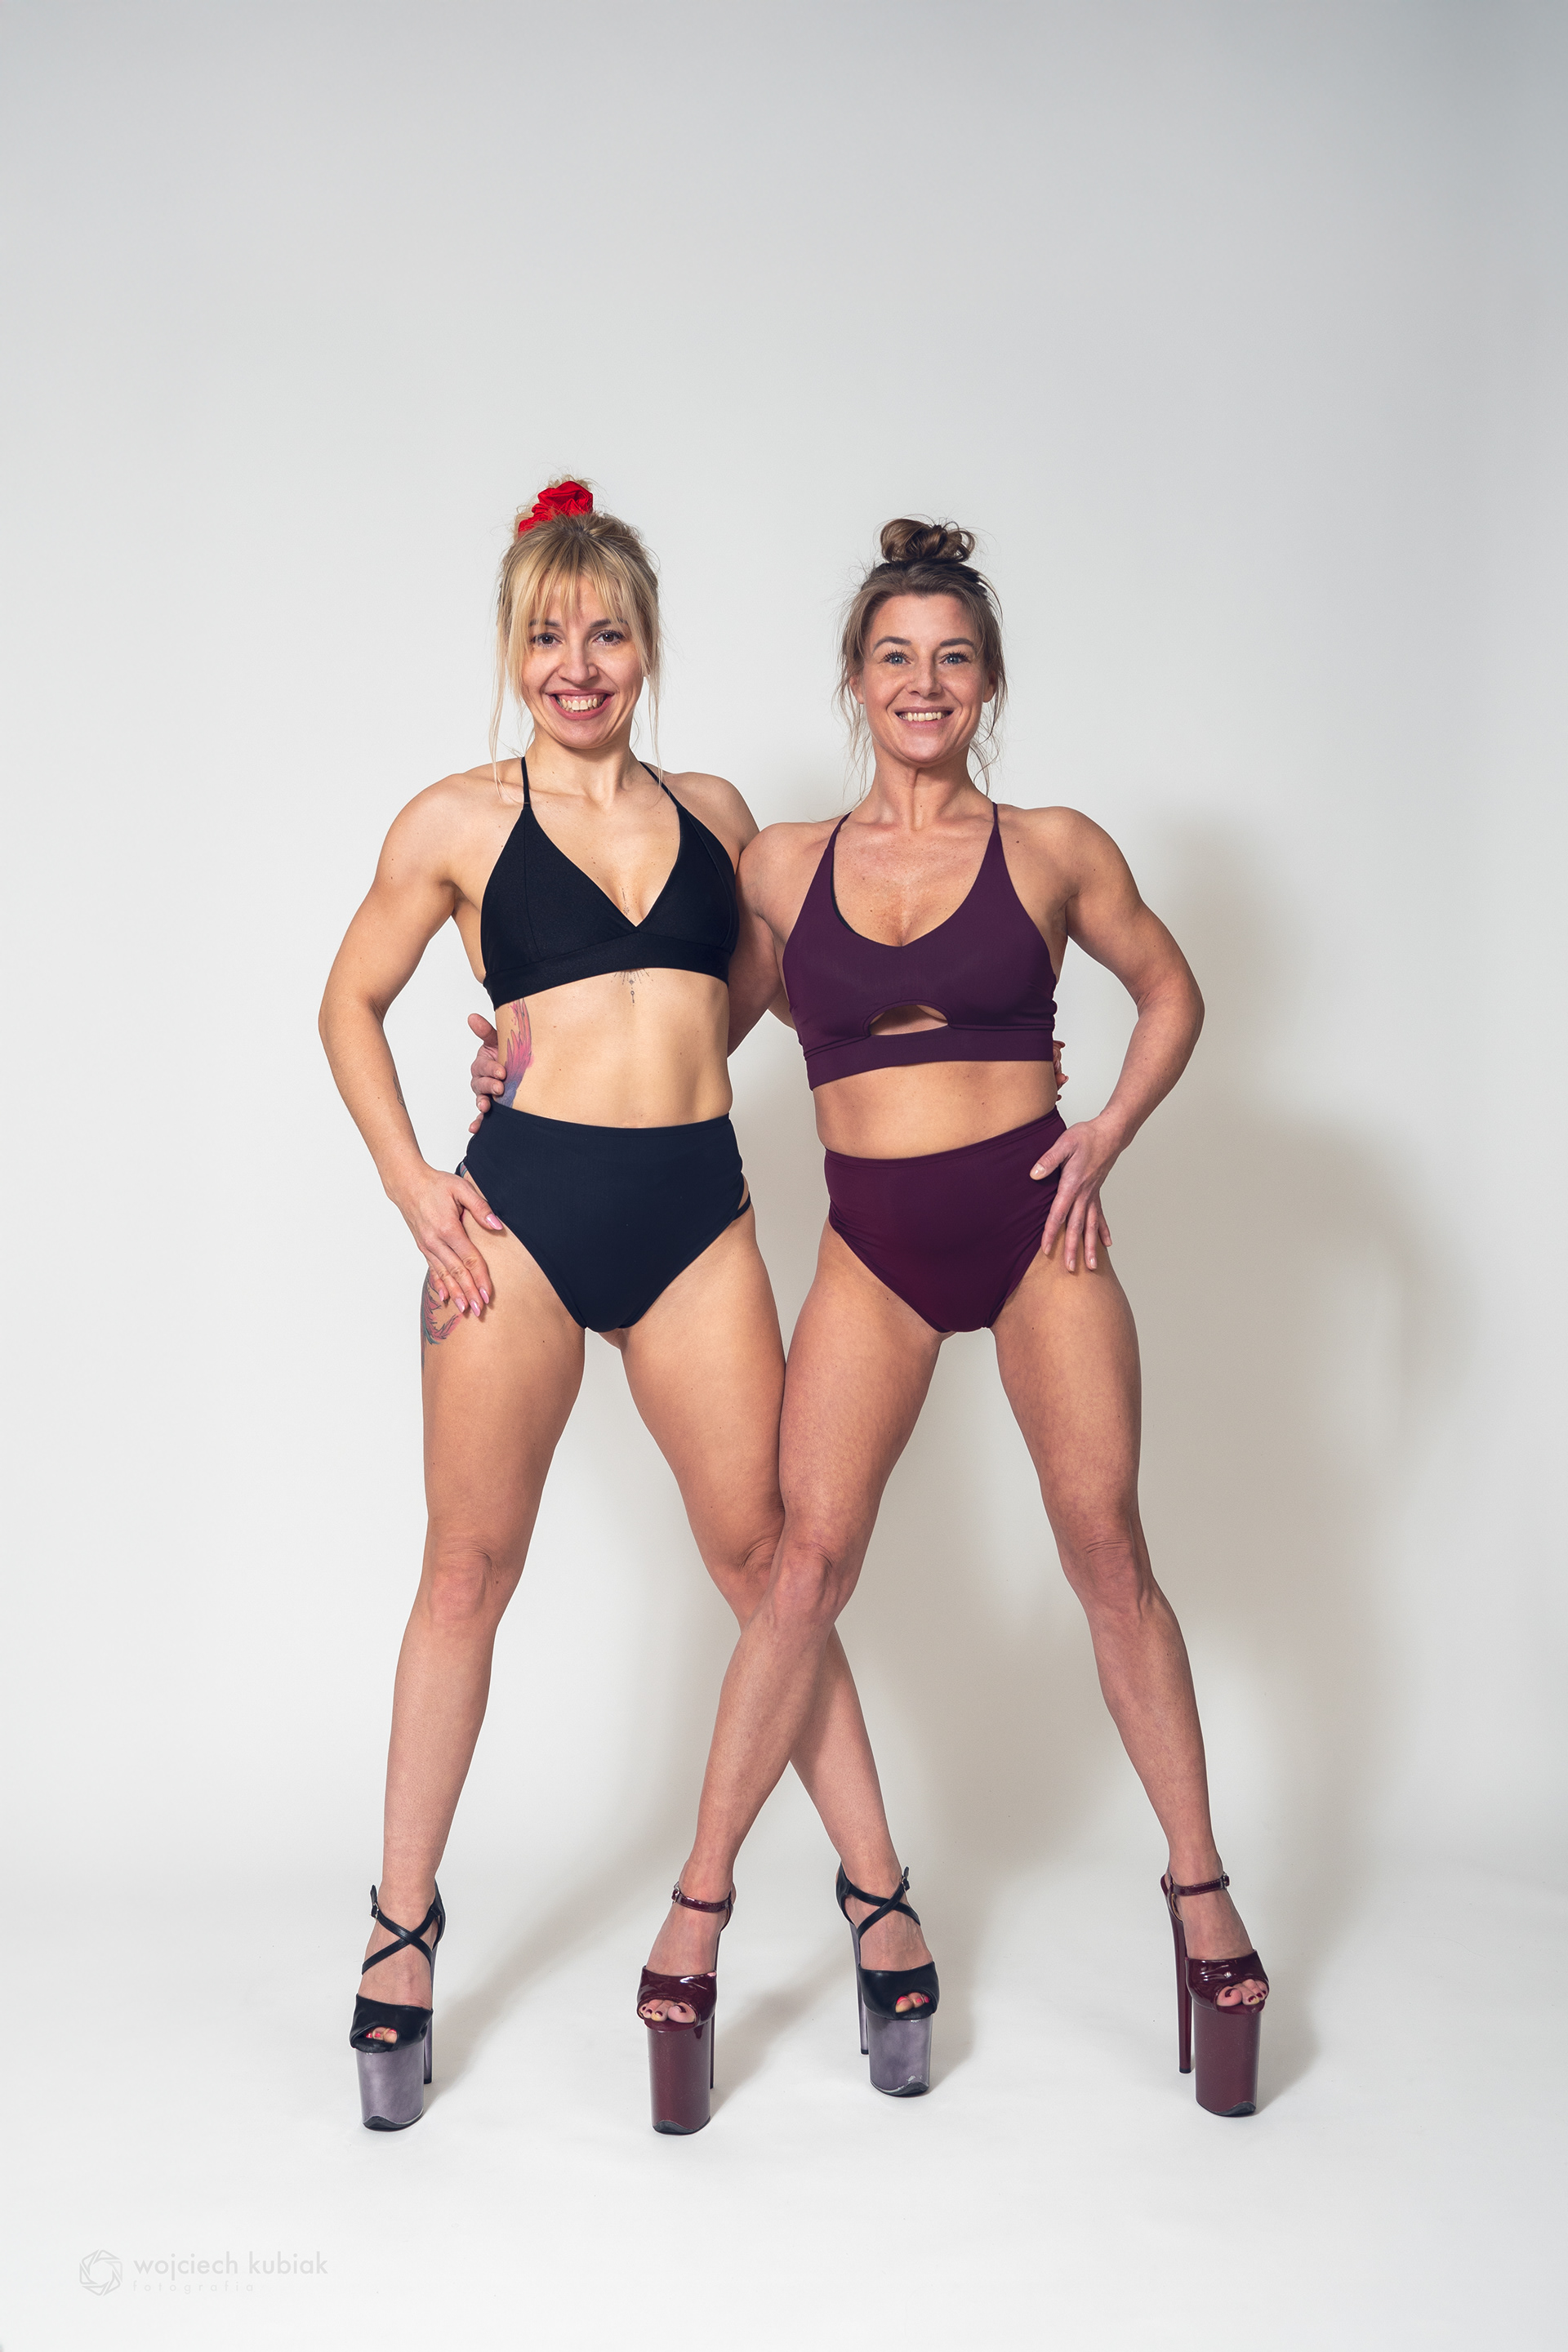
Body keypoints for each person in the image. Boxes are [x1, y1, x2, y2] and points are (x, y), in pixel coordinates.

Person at [621, 517, 1269, 2116]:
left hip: (1037, 1235)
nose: (925, 683)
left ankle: (1201, 1900)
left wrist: (1106, 1132)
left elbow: (1173, 989)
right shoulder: (784, 865)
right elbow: (684, 1032)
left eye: (954, 658)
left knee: (1106, 1552)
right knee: (803, 1569)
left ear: (987, 685)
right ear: (856, 681)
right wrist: (526, 1066)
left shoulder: (1051, 847)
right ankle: (698, 1916)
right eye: (896, 657)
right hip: (878, 1251)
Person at [319, 481, 920, 2136]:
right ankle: (398, 1929)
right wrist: (413, 1182)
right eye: (546, 635)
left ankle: (880, 1898)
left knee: (771, 1566)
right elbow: (348, 1001)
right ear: (513, 651)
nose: (576, 664)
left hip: (691, 1219)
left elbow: (762, 989)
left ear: (646, 644)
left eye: (605, 632)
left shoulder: (719, 814)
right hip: (516, 1221)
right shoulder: (455, 819)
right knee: (467, 1571)